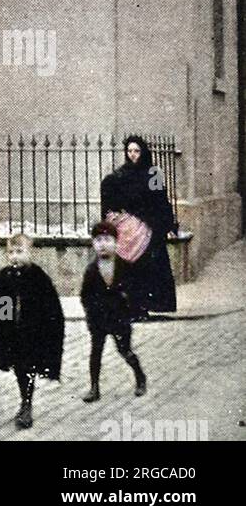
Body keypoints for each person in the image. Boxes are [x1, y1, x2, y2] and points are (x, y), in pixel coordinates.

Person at [0, 232, 65, 429]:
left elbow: (51, 308)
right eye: (11, 252)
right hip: (15, 334)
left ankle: (26, 404)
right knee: (21, 369)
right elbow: (2, 307)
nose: (15, 256)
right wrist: (0, 330)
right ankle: (25, 401)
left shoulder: (38, 277)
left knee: (28, 369)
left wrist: (48, 331)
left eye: (20, 252)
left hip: (34, 334)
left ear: (30, 253)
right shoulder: (5, 278)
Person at [100, 135, 178, 318]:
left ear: (143, 152)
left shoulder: (154, 173)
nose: (133, 155)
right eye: (130, 151)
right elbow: (111, 200)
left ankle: (146, 306)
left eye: (137, 151)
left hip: (151, 227)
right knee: (132, 270)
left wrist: (168, 223)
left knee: (150, 270)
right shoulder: (120, 176)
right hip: (131, 230)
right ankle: (133, 307)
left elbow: (161, 200)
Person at [80, 220, 147, 403]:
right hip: (99, 320)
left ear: (116, 242)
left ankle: (140, 377)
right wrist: (91, 314)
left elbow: (134, 290)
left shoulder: (124, 266)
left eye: (107, 239)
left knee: (125, 350)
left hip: (119, 318)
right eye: (98, 240)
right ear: (94, 244)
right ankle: (94, 388)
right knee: (96, 353)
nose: (103, 244)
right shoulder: (92, 270)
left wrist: (128, 307)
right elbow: (85, 295)